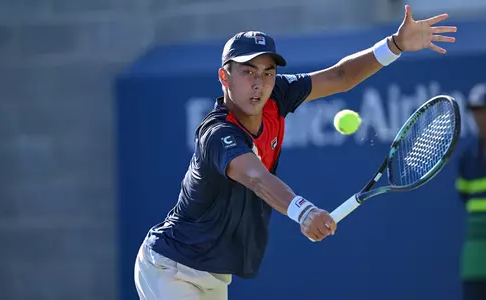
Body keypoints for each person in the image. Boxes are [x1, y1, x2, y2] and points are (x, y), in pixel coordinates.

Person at [134, 5, 457, 299]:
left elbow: (340, 76)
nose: (259, 83)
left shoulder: (277, 96)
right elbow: (257, 178)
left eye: (267, 73)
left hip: (216, 275)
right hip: (171, 268)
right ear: (224, 77)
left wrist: (395, 45)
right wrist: (304, 212)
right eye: (247, 72)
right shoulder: (218, 133)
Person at [457, 84, 486, 300]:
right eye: (476, 111)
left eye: (484, 110)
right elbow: (466, 199)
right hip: (475, 261)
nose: (480, 117)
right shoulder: (467, 160)